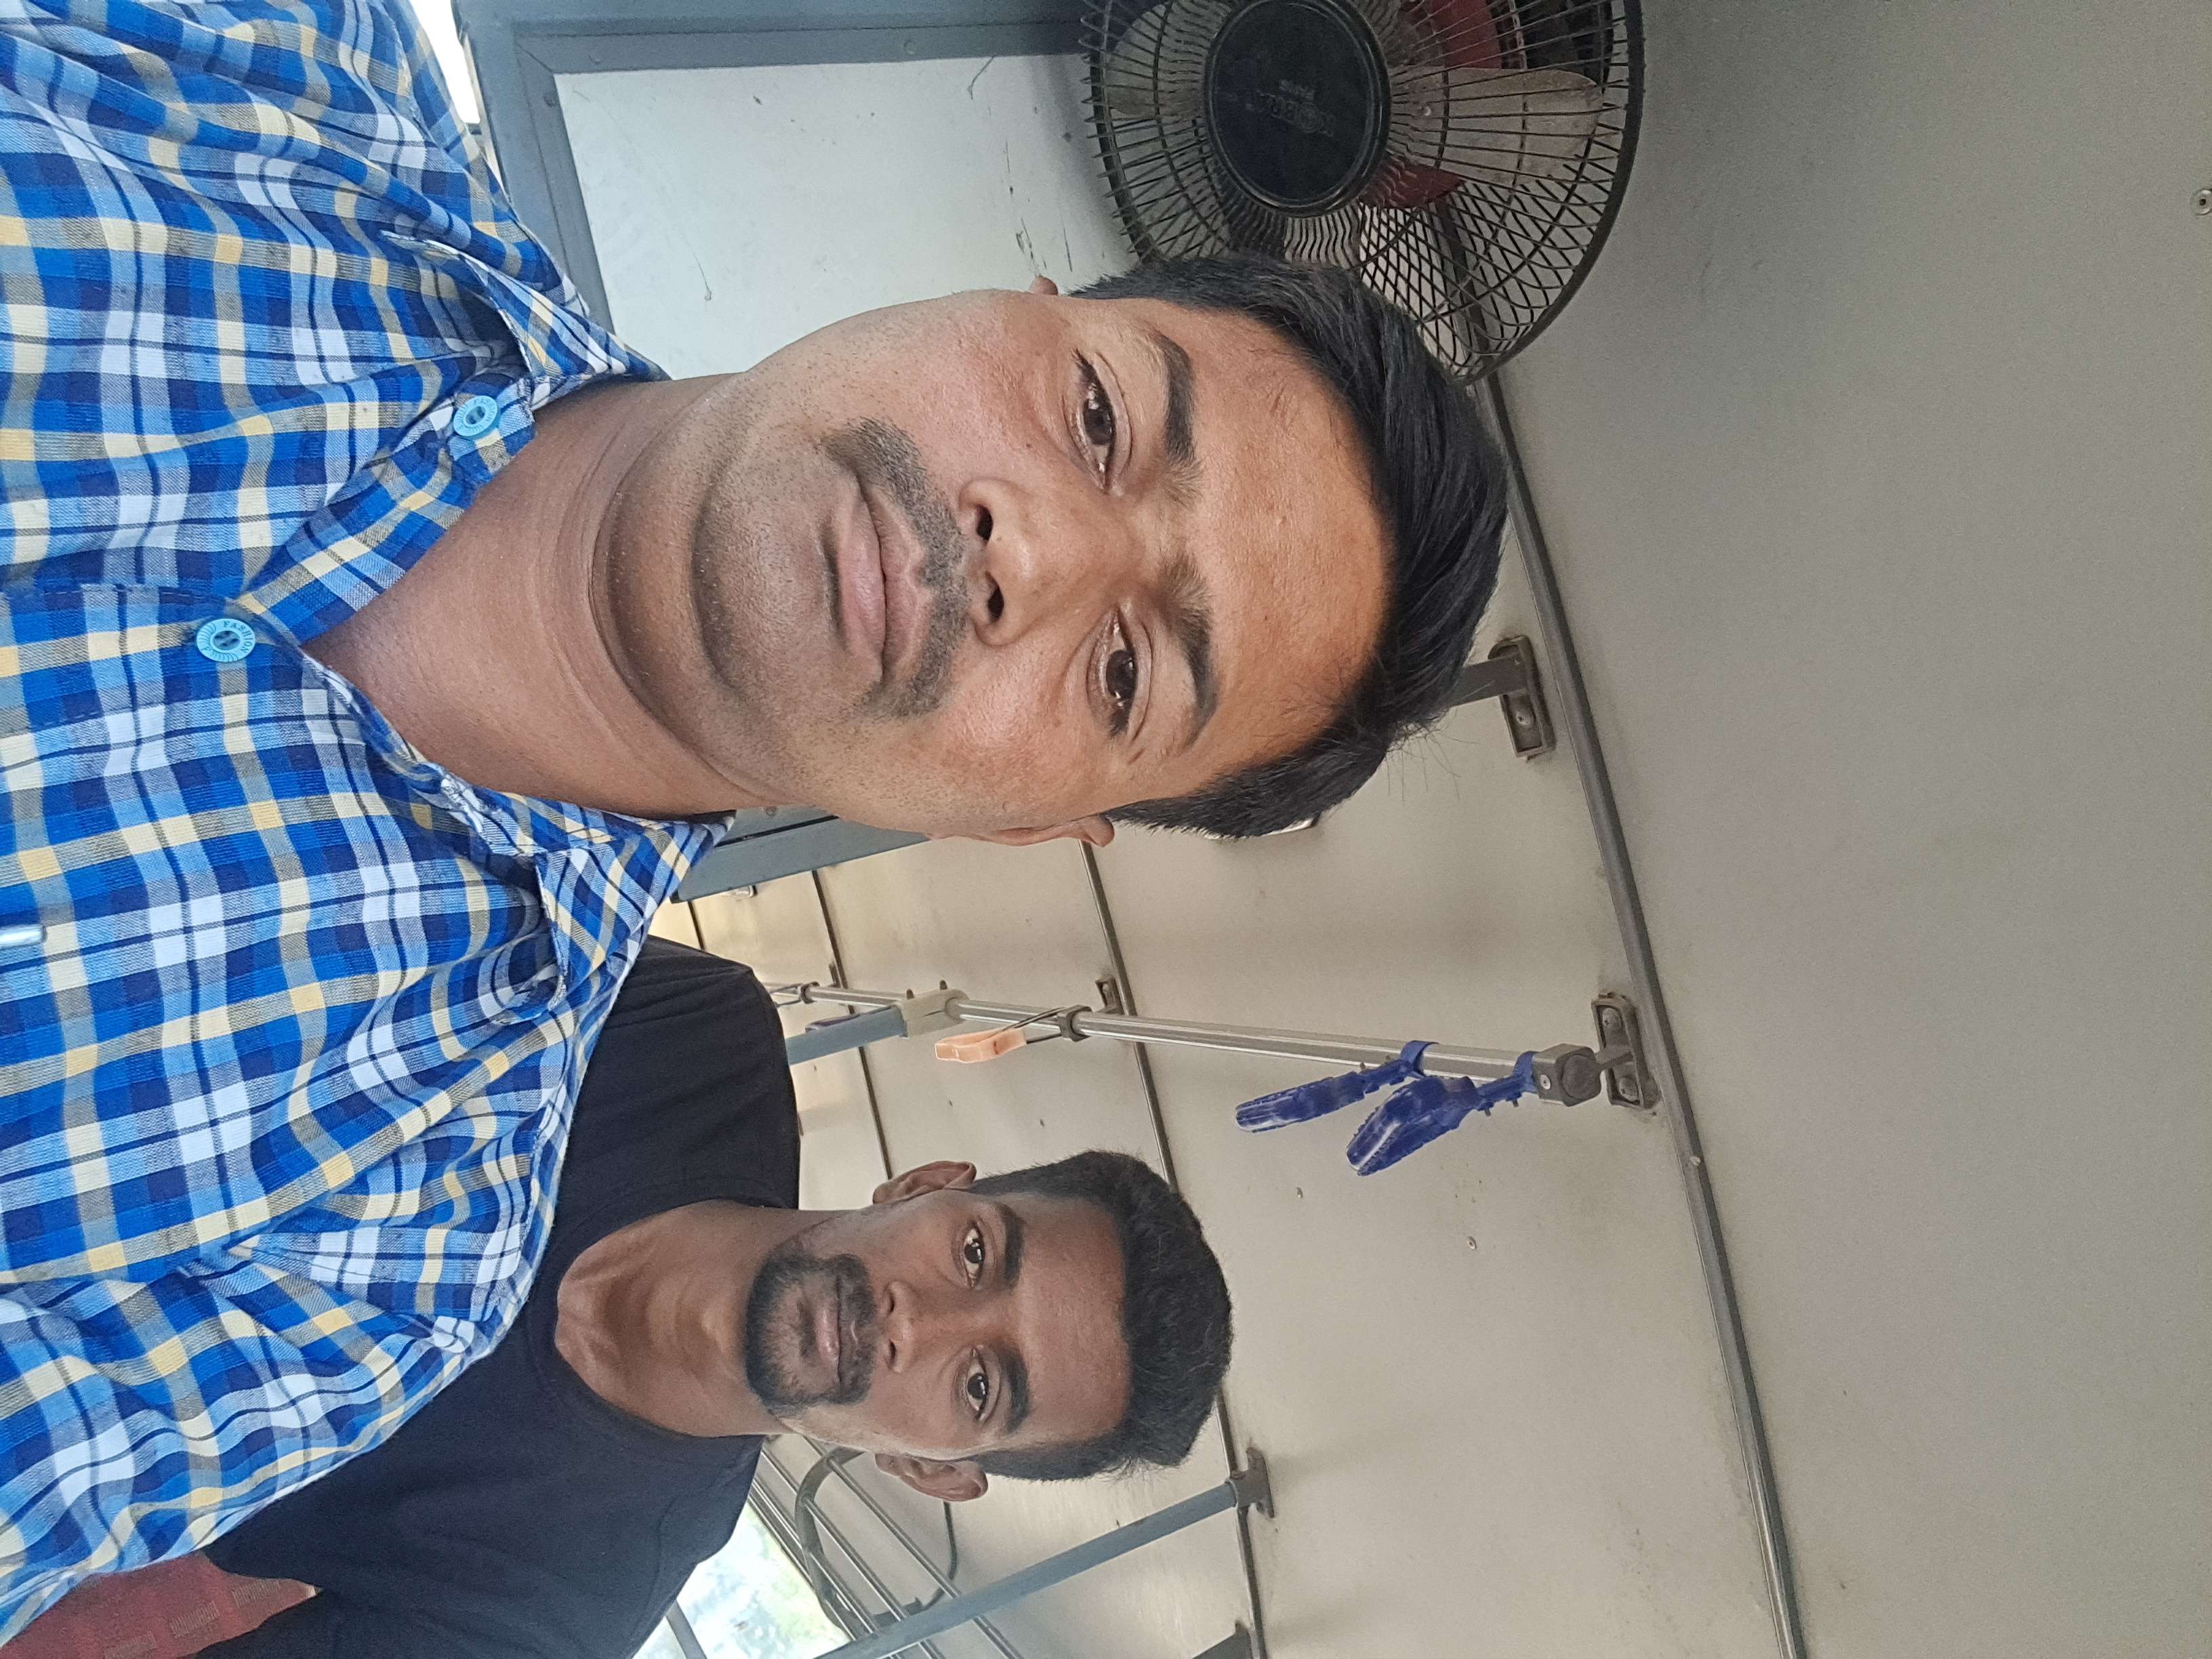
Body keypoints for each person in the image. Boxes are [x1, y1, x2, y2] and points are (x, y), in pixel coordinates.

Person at [0, 0, 1500, 1629]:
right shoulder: (288, 79)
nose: (1038, 555)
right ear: (1023, 297)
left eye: (1126, 675)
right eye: (1099, 421)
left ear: (1024, 827)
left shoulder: (369, 1272)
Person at [8, 937, 1235, 1658]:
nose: (922, 1320)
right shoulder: (686, 1034)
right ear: (926, 1184)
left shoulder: (556, 1608)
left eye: (980, 1386)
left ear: (932, 1471)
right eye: (975, 1255)